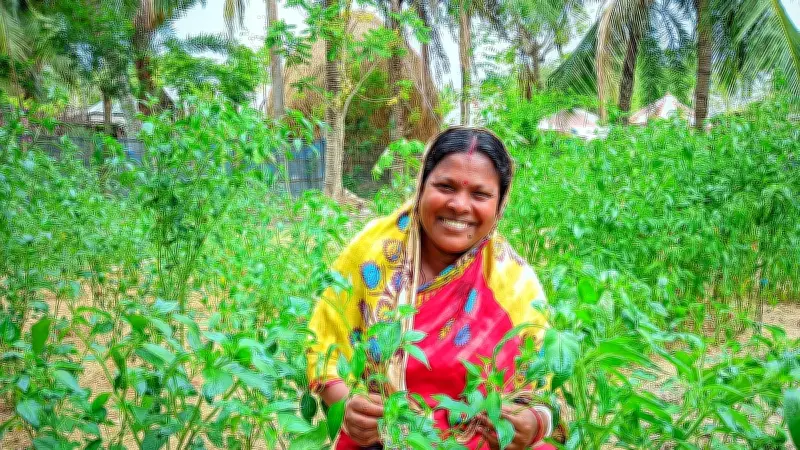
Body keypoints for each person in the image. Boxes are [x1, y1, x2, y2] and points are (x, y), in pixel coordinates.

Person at [307, 127, 563, 449]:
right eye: (445, 187)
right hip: (382, 438)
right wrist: (346, 406)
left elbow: (546, 385)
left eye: (480, 195)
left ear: (500, 205)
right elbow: (324, 345)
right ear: (421, 187)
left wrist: (535, 422)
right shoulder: (373, 253)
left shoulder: (512, 282)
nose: (459, 205)